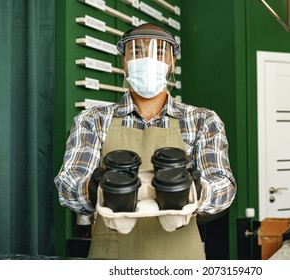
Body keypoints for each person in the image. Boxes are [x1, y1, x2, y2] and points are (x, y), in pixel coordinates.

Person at [54, 23, 237, 260]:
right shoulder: (92, 120)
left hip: (181, 258)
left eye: (159, 53)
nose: (148, 59)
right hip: (113, 258)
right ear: (124, 61)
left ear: (173, 62)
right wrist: (92, 188)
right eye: (137, 52)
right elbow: (68, 186)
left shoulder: (203, 121)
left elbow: (225, 187)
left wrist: (196, 190)